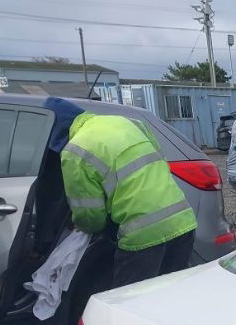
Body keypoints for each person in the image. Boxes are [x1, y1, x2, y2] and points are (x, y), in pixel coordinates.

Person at [45, 97, 197, 287]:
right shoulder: (127, 122)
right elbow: (159, 161)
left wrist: (79, 225)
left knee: (130, 303)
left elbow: (91, 216)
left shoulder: (75, 150)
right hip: (182, 222)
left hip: (143, 235)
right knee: (171, 293)